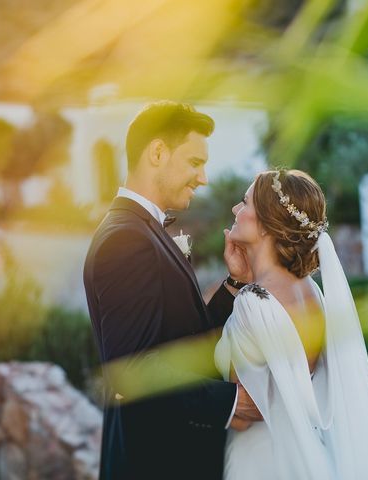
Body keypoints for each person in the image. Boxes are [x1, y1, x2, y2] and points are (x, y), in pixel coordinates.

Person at [83, 101, 262, 480]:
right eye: (195, 162)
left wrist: (234, 284)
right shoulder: (127, 239)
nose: (204, 178)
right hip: (154, 462)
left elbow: (179, 343)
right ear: (158, 152)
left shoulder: (142, 230)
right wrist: (232, 403)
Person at [215, 169, 368, 479]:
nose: (235, 210)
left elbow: (243, 414)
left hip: (259, 462)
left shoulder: (252, 303)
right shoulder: (312, 292)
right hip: (309, 456)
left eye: (244, 203)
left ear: (267, 225)